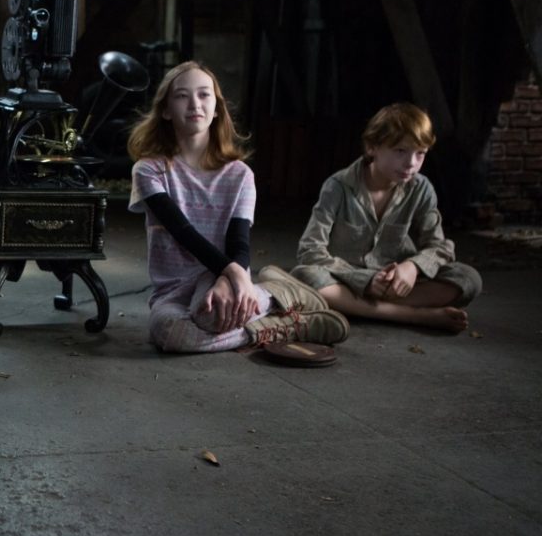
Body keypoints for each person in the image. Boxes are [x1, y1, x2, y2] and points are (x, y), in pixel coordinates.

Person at [127, 61, 349, 352]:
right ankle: (285, 319)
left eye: (204, 94)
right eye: (182, 96)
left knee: (209, 316)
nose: (194, 103)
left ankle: (273, 293)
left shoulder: (239, 175)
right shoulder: (149, 170)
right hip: (174, 291)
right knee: (170, 334)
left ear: (217, 109)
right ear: (166, 110)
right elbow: (182, 232)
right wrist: (236, 274)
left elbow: (238, 242)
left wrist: (227, 279)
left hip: (221, 275)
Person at [290, 102, 481, 332]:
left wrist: (412, 267)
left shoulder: (421, 188)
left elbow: (439, 247)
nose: (411, 163)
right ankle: (413, 316)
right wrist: (365, 281)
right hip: (346, 280)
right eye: (400, 151)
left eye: (420, 153)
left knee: (468, 278)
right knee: (305, 275)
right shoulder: (338, 186)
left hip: (396, 285)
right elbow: (310, 250)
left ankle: (361, 307)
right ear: (372, 147)